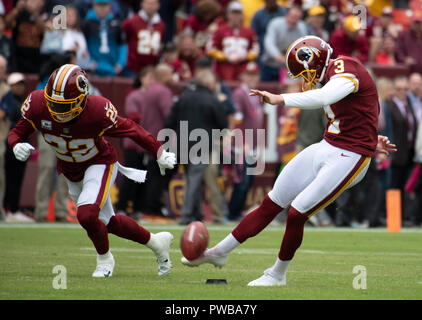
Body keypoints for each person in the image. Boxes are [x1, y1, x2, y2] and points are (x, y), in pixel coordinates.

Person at [181, 35, 396, 286]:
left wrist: (280, 98)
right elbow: (354, 112)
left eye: (303, 72)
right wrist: (369, 135)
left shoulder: (345, 68)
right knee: (271, 203)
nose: (305, 80)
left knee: (297, 212)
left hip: (351, 156)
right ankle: (219, 253)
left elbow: (323, 98)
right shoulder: (334, 73)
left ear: (313, 61)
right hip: (328, 145)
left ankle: (277, 274)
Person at [8, 64, 176, 277]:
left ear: (81, 100)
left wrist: (159, 152)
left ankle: (105, 260)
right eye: (54, 104)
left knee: (86, 215)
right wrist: (15, 144)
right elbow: (17, 132)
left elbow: (133, 130)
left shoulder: (96, 111)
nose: (57, 111)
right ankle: (157, 243)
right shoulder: (38, 103)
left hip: (99, 162)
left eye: (64, 106)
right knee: (108, 222)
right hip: (70, 169)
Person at [165, 69, 228, 225]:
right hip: (203, 145)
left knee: (191, 179)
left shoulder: (183, 99)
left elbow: (169, 122)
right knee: (195, 180)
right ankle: (187, 215)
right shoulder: (212, 100)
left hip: (183, 145)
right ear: (208, 83)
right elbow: (223, 124)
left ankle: (197, 213)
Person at [227, 61, 264, 222]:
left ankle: (236, 211)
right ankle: (233, 213)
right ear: (243, 76)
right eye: (249, 75)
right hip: (243, 146)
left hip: (253, 144)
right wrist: (242, 142)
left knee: (248, 181)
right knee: (242, 180)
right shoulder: (240, 94)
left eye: (254, 75)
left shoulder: (254, 93)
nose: (252, 78)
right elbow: (237, 120)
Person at [1, 72, 34, 222]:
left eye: (22, 84)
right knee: (9, 178)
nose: (21, 87)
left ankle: (13, 208)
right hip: (10, 145)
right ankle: (9, 209)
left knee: (17, 178)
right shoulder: (10, 101)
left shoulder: (23, 102)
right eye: (17, 84)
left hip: (21, 144)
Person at [206, 1, 259, 81]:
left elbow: (255, 49)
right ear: (228, 14)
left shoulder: (249, 32)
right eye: (233, 13)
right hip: (223, 68)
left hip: (243, 68)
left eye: (238, 13)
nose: (235, 16)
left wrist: (245, 56)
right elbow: (210, 48)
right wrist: (224, 56)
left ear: (242, 15)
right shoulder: (220, 31)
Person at [260, 6, 307, 82]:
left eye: (297, 17)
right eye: (292, 16)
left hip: (289, 68)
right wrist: (278, 56)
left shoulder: (302, 28)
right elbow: (269, 42)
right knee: (266, 89)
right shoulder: (275, 23)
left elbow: (303, 47)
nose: (294, 20)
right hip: (269, 65)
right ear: (287, 15)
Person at [82, 0, 127, 76]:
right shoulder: (87, 24)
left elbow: (122, 45)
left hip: (113, 69)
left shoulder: (116, 23)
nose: (102, 8)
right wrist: (89, 62)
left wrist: (120, 64)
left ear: (109, 6)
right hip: (92, 69)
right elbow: (83, 46)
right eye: (99, 5)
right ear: (94, 6)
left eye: (104, 5)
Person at [122, 0, 166, 75]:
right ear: (142, 4)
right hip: (133, 68)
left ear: (158, 5)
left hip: (151, 69)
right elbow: (122, 40)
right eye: (148, 3)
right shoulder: (131, 22)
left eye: (153, 4)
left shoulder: (161, 25)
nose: (150, 6)